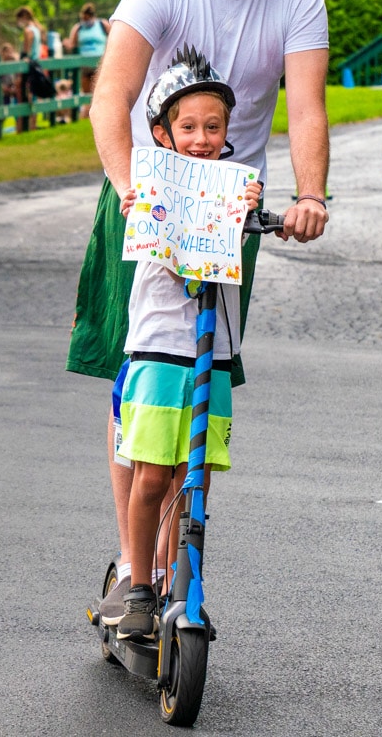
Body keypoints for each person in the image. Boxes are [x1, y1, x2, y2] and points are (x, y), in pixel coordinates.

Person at [70, 0, 330, 625]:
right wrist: (131, 194)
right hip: (147, 190)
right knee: (142, 376)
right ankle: (132, 564)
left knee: (204, 382)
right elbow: (110, 97)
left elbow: (307, 109)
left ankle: (178, 562)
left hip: (228, 204)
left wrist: (310, 195)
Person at [105, 46, 262, 641]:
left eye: (213, 127)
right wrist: (136, 204)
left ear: (227, 131)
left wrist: (257, 211)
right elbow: (150, 227)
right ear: (162, 134)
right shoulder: (149, 184)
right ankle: (139, 585)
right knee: (151, 476)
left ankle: (180, 584)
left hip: (211, 355)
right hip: (160, 348)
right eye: (188, 127)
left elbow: (243, 232)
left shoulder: (237, 186)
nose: (201, 138)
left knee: (192, 481)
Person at [66, 2, 110, 94]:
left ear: (92, 16)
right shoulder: (78, 28)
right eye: (83, 18)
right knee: (86, 93)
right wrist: (66, 44)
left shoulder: (102, 24)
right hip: (85, 66)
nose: (85, 20)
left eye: (86, 18)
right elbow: (72, 44)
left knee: (98, 91)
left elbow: (113, 38)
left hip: (99, 63)